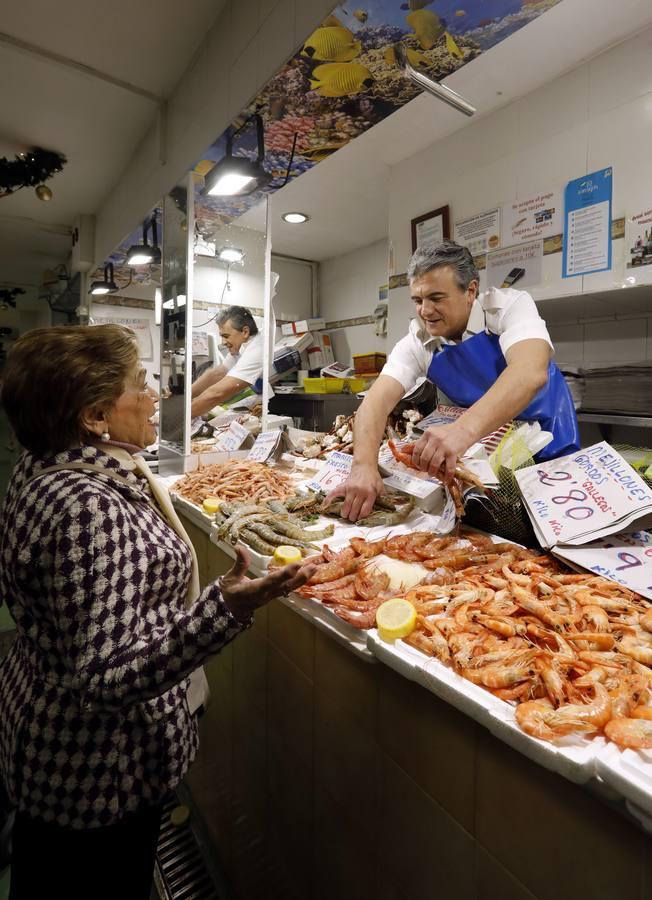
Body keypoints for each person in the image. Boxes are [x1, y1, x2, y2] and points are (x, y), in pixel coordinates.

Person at [0, 324, 313, 900]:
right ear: (96, 415)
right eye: (141, 385)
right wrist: (224, 608)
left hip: (45, 735)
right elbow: (105, 674)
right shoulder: (88, 506)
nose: (156, 397)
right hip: (93, 775)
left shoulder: (47, 467)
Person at [331, 240, 579, 522]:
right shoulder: (419, 341)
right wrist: (363, 466)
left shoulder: (508, 306)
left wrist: (460, 431)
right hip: (490, 451)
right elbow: (375, 403)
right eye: (418, 300)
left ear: (471, 290)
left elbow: (529, 372)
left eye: (436, 298)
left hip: (549, 443)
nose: (425, 310)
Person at [191, 306, 264, 417]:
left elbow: (217, 394)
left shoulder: (257, 349)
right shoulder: (239, 347)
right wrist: (186, 395)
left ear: (245, 332)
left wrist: (181, 417)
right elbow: (217, 373)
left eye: (226, 336)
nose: (223, 342)